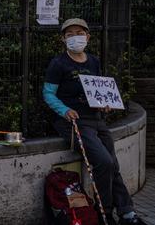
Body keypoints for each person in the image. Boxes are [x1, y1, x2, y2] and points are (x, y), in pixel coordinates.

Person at [42, 18, 146, 225]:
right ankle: (104, 213)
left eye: (79, 33)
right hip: (75, 122)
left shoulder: (93, 62)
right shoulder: (58, 64)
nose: (75, 37)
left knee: (113, 165)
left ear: (88, 37)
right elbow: (48, 94)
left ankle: (127, 213)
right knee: (103, 162)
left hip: (97, 120)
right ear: (63, 39)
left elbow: (97, 92)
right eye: (69, 34)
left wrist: (104, 104)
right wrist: (65, 110)